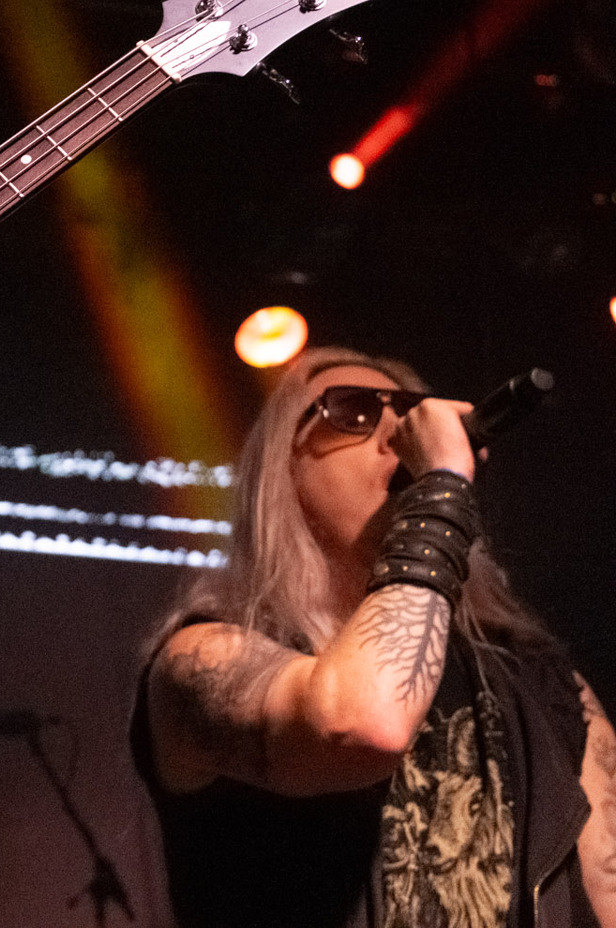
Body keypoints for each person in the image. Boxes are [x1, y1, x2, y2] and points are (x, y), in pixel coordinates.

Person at [135, 345, 616, 927]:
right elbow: (363, 724)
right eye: (354, 411)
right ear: (282, 471)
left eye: (410, 411)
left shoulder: (541, 682)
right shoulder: (200, 661)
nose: (398, 431)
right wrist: (441, 486)